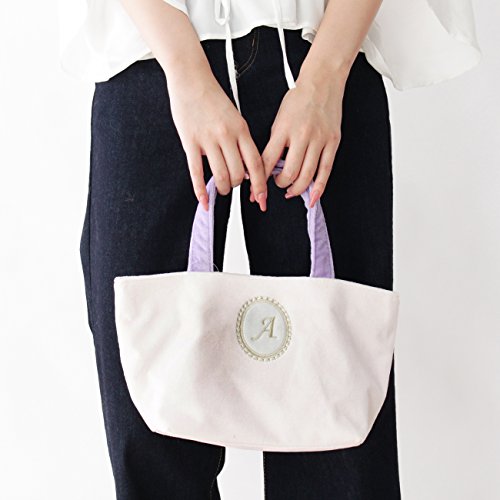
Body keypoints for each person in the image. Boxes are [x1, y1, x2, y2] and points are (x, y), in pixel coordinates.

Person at [60, 0, 480, 498]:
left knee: (336, 427)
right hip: (151, 50)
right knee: (148, 430)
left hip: (320, 47)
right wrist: (187, 75)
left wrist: (325, 79)